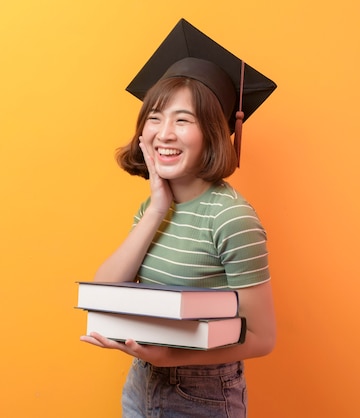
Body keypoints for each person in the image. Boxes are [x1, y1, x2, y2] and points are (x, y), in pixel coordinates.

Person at [80, 19, 277, 418]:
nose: (164, 133)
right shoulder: (153, 206)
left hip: (202, 394)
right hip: (141, 384)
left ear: (214, 132)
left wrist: (172, 358)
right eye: (155, 117)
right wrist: (155, 209)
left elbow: (262, 338)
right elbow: (104, 295)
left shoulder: (230, 217)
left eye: (183, 120)